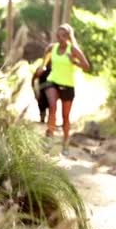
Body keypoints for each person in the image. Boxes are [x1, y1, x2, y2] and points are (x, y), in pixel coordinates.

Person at [38, 24, 91, 155]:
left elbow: (86, 66)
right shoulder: (52, 47)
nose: (59, 38)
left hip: (68, 85)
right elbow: (44, 61)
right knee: (52, 106)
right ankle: (49, 136)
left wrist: (75, 62)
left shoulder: (73, 50)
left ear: (68, 36)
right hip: (53, 81)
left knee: (65, 116)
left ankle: (65, 142)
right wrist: (42, 67)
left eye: (63, 35)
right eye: (58, 35)